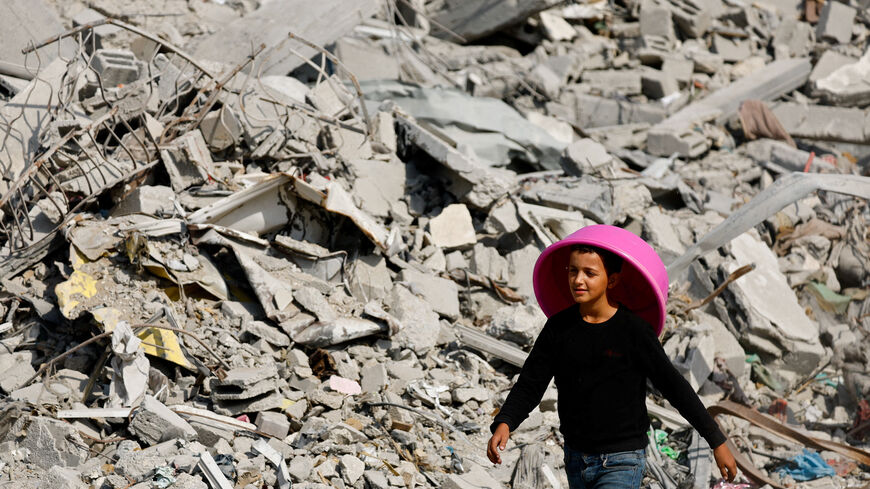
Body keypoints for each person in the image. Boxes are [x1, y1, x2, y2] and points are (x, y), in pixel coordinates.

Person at [486, 244, 738, 488]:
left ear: (612, 280)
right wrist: (505, 422)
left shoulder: (634, 331)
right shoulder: (558, 328)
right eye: (573, 271)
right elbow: (531, 383)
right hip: (575, 458)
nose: (578, 280)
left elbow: (674, 387)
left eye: (590, 273)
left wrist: (716, 441)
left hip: (622, 460)